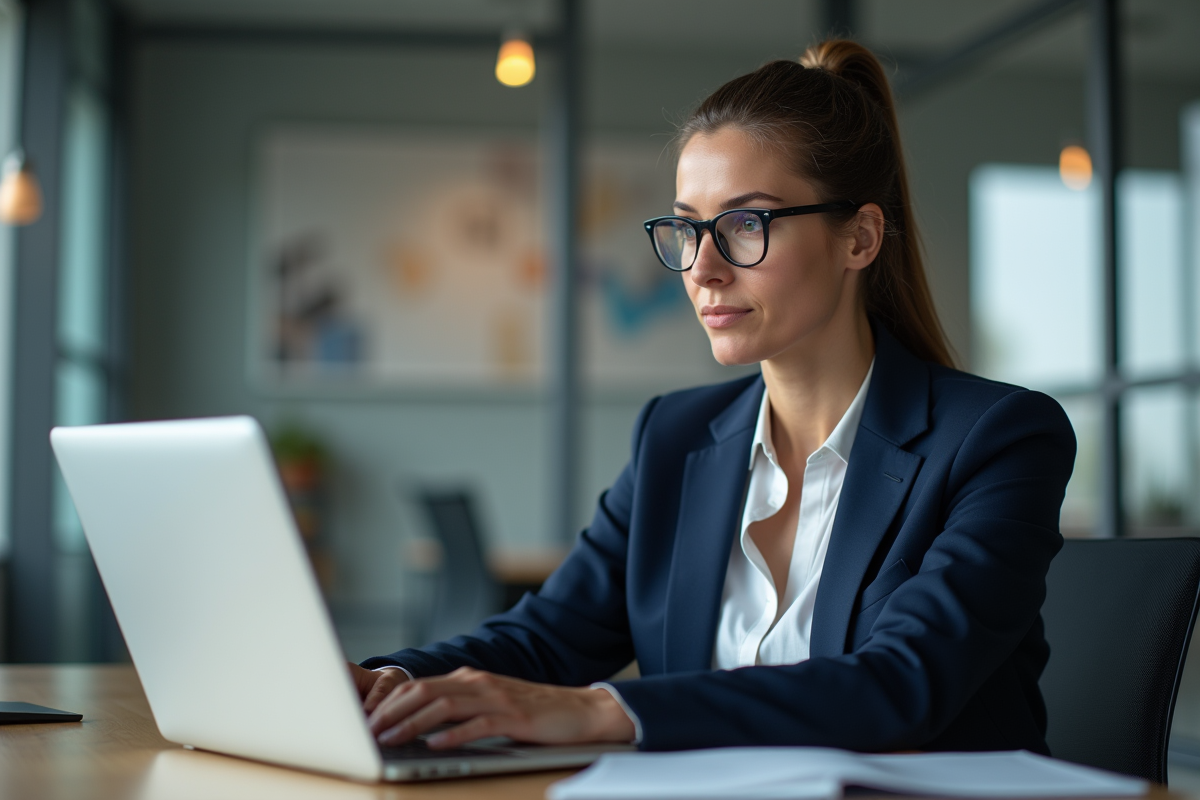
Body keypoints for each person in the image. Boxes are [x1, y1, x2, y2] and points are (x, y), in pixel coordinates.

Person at [349, 39, 1076, 754]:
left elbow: (901, 684)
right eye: (687, 229)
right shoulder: (675, 436)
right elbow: (547, 636)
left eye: (745, 225)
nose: (703, 269)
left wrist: (602, 710)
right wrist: (384, 683)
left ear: (859, 238)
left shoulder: (999, 438)